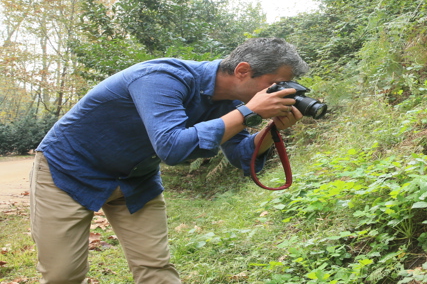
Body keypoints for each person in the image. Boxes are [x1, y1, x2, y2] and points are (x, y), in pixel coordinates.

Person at [30, 37, 309, 283]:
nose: (279, 92)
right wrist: (248, 111)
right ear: (242, 70)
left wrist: (271, 130)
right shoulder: (161, 77)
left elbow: (240, 156)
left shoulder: (234, 103)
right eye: (274, 84)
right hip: (69, 170)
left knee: (156, 268)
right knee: (63, 275)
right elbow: (172, 147)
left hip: (135, 180)